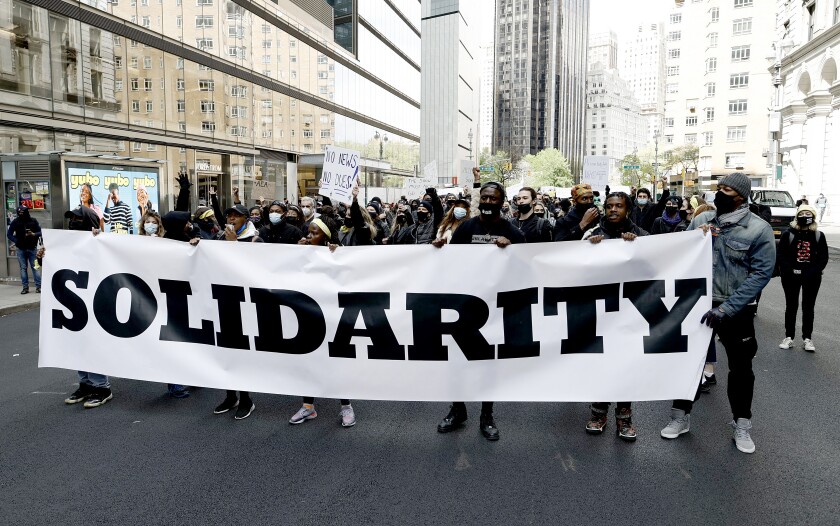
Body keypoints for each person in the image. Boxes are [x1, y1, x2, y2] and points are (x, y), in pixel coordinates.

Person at [660, 172, 775, 454]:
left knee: (741, 369)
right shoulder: (701, 221)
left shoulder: (758, 229)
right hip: (698, 306)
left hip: (735, 310)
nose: (719, 194)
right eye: (718, 189)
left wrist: (727, 308)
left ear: (741, 196)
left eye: (726, 190)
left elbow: (761, 274)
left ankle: (742, 424)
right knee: (689, 364)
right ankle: (680, 418)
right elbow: (678, 255)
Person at [436, 181, 526, 441]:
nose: (487, 202)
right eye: (484, 198)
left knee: (488, 364)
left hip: (494, 309)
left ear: (502, 202)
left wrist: (511, 248)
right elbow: (450, 262)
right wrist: (437, 250)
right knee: (457, 361)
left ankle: (487, 414)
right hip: (465, 306)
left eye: (493, 199)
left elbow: (526, 265)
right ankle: (458, 409)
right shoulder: (467, 227)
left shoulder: (511, 231)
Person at [581, 192, 648, 442]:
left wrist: (635, 248)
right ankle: (598, 413)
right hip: (599, 312)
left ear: (627, 210)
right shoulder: (591, 234)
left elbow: (655, 268)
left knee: (626, 365)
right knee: (601, 364)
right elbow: (576, 268)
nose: (613, 210)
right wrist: (589, 249)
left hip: (631, 312)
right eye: (609, 206)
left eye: (619, 206)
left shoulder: (642, 236)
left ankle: (624, 417)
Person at [288, 216, 357, 427]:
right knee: (309, 361)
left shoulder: (336, 254)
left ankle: (346, 407)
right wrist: (296, 254)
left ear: (326, 236)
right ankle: (308, 407)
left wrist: (336, 256)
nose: (309, 237)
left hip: (333, 318)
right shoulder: (302, 253)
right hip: (308, 316)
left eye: (314, 233)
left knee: (335, 363)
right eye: (308, 232)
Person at [60, 206, 113, 408]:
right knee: (78, 343)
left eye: (77, 218)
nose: (73, 221)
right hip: (74, 301)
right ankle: (86, 383)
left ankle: (101, 387)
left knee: (93, 343)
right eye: (71, 218)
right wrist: (43, 256)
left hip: (96, 300)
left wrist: (100, 240)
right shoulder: (66, 244)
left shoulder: (99, 243)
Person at [213, 204, 259, 419]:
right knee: (225, 353)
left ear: (246, 219)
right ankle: (231, 396)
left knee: (242, 354)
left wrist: (233, 245)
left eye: (237, 216)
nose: (232, 218)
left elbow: (254, 270)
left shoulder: (256, 240)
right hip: (224, 300)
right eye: (229, 215)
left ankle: (246, 398)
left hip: (246, 304)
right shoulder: (221, 238)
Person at [142, 210, 190, 398]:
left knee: (170, 339)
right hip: (144, 296)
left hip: (166, 296)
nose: (151, 225)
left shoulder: (168, 241)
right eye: (147, 222)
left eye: (154, 222)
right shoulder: (130, 242)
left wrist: (190, 244)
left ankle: (176, 383)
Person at [777, 204, 828, 352]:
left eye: (808, 213)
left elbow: (823, 257)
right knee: (791, 306)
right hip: (790, 276)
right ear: (797, 216)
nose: (805, 215)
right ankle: (789, 337)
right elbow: (781, 255)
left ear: (813, 217)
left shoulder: (819, 235)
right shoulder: (788, 234)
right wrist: (790, 270)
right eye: (802, 213)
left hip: (812, 277)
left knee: (808, 307)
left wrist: (814, 271)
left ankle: (807, 339)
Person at [6, 205, 42, 294]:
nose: (21, 215)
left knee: (35, 267)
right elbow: (9, 234)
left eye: (23, 213)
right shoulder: (16, 222)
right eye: (20, 213)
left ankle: (39, 287)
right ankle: (25, 287)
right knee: (23, 268)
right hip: (21, 248)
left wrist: (33, 234)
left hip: (32, 248)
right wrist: (16, 241)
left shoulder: (33, 221)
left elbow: (41, 232)